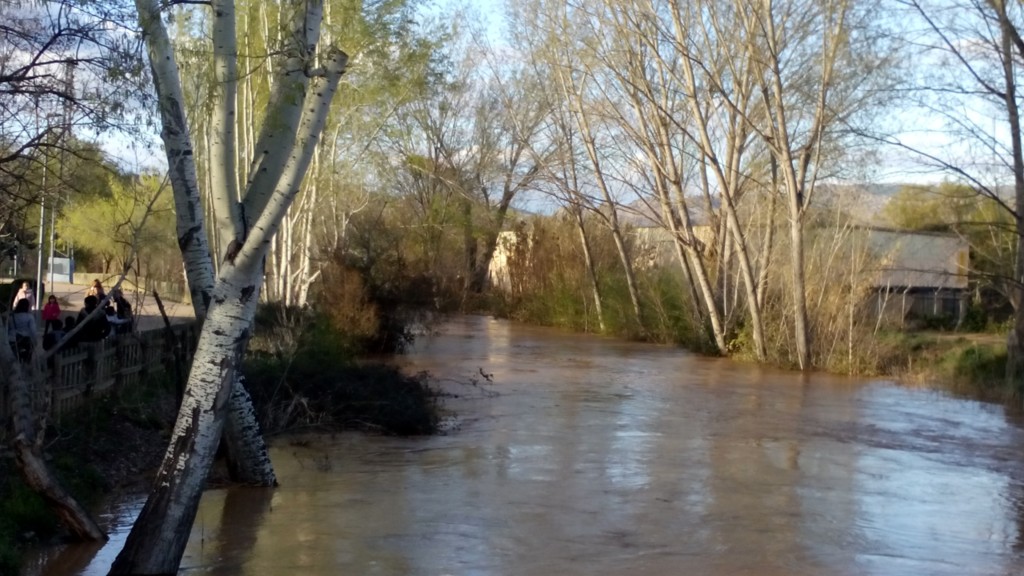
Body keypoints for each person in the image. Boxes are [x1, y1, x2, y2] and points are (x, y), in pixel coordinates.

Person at [7, 298, 37, 362]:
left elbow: (8, 329)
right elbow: (33, 330)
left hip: (12, 339)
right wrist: (35, 341)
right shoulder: (29, 317)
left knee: (15, 359)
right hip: (25, 340)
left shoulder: (11, 317)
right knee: (27, 359)